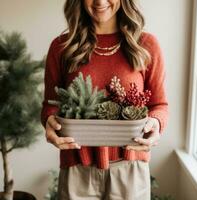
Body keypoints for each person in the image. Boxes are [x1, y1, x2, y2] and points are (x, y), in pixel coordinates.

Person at [41, 0, 168, 199]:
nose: (100, 1)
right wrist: (50, 122)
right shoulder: (61, 47)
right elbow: (50, 105)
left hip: (130, 170)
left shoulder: (146, 45)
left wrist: (155, 123)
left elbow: (159, 105)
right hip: (77, 171)